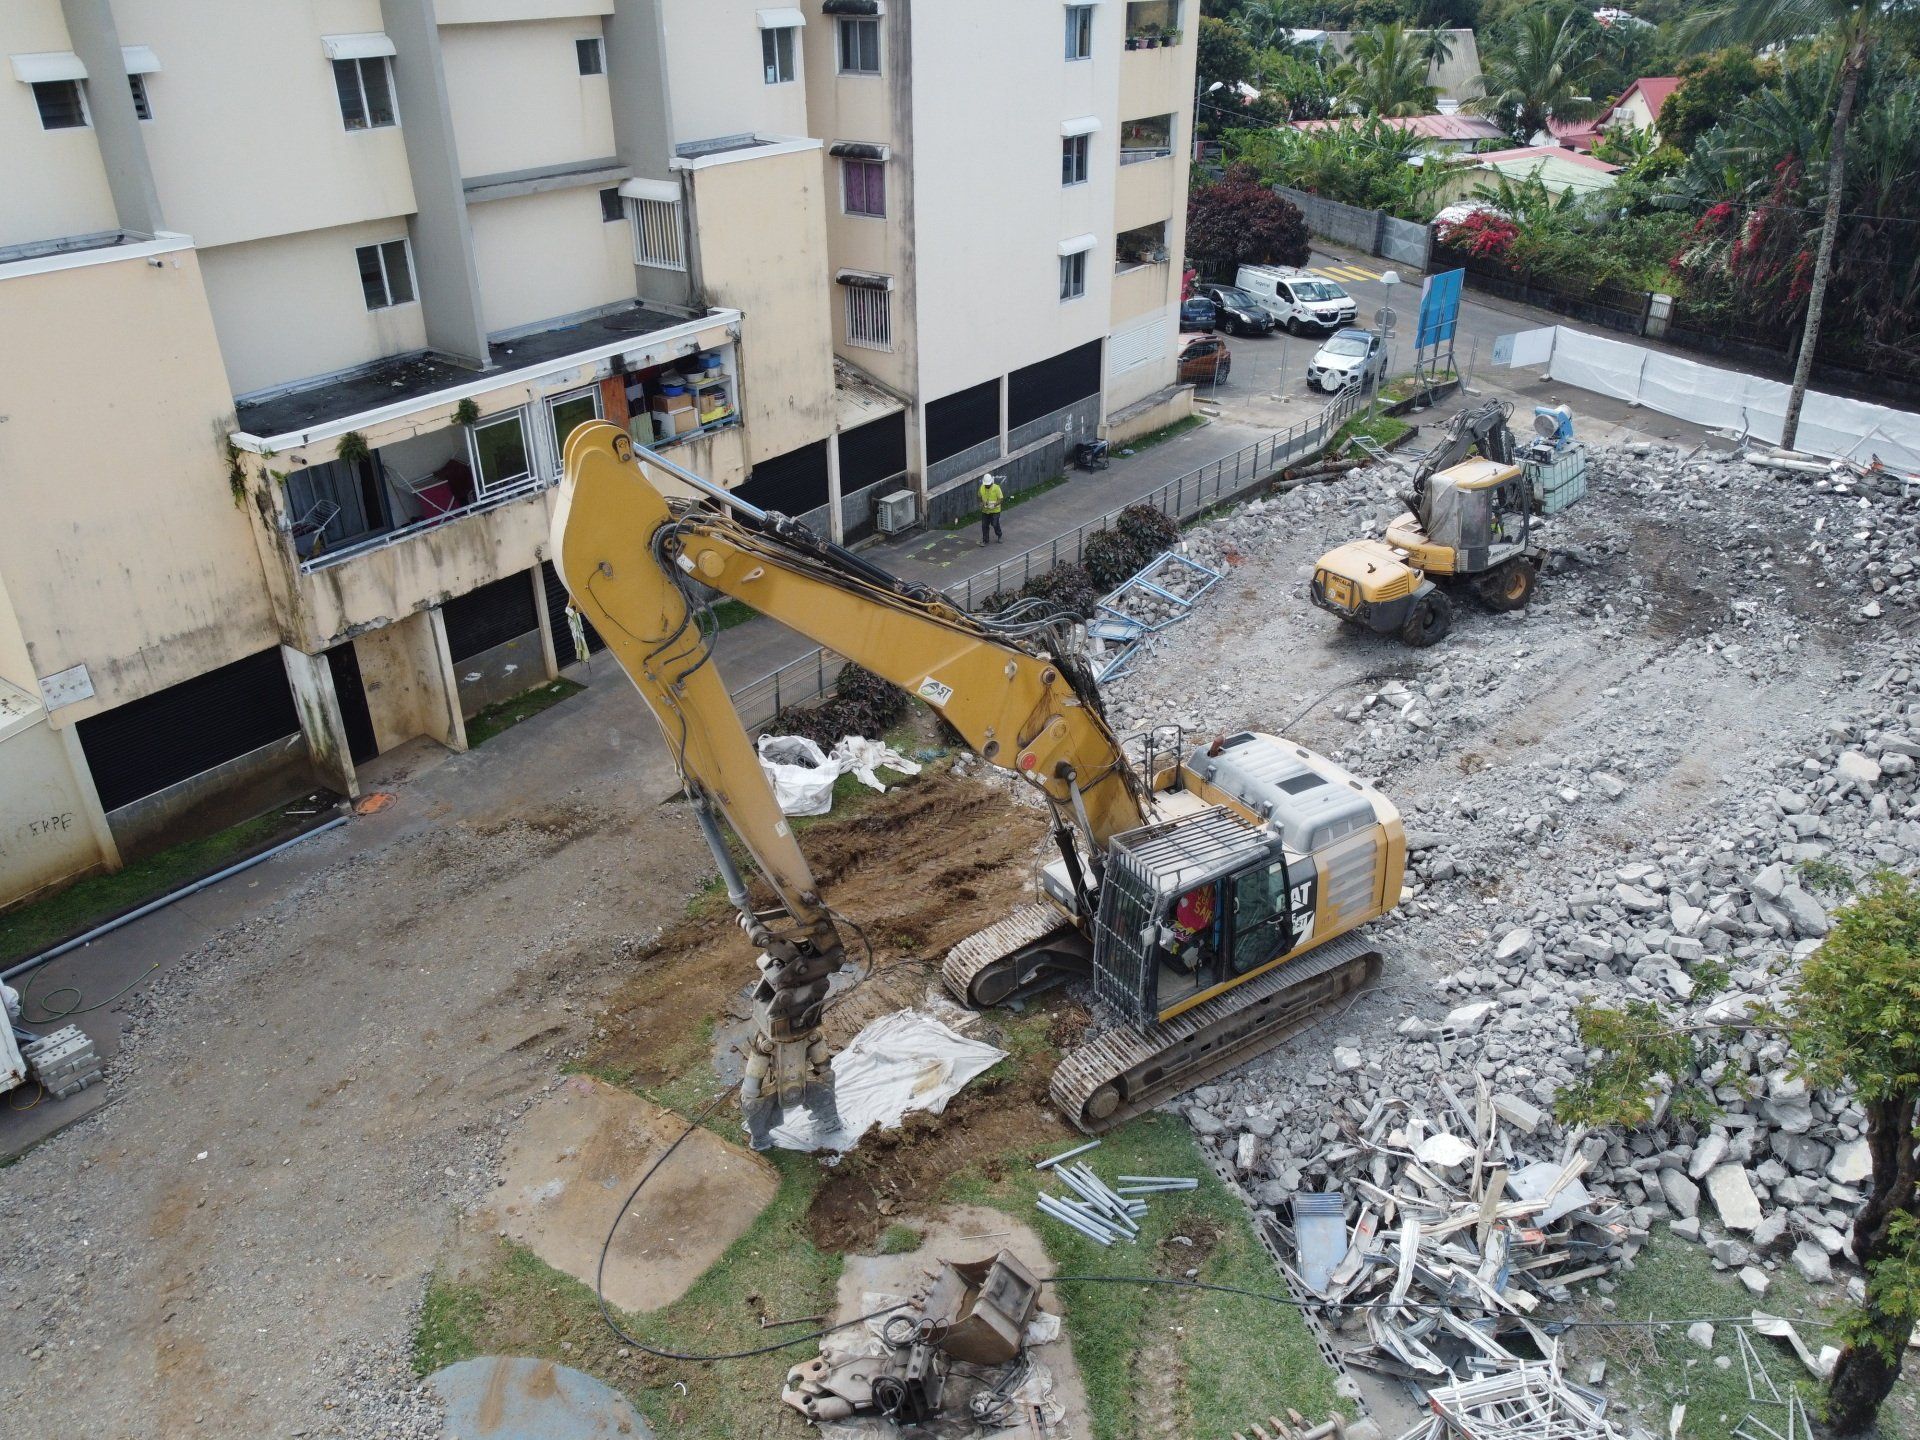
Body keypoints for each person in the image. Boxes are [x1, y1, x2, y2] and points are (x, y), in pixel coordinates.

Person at [978, 473, 1004, 546]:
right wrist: (981, 503)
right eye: (986, 485)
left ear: (991, 482)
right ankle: (985, 540)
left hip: (995, 510)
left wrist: (994, 505)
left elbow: (1001, 499)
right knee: (984, 525)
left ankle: (999, 535)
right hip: (985, 510)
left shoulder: (996, 488)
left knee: (995, 524)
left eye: (988, 485)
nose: (987, 486)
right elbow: (979, 496)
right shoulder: (982, 487)